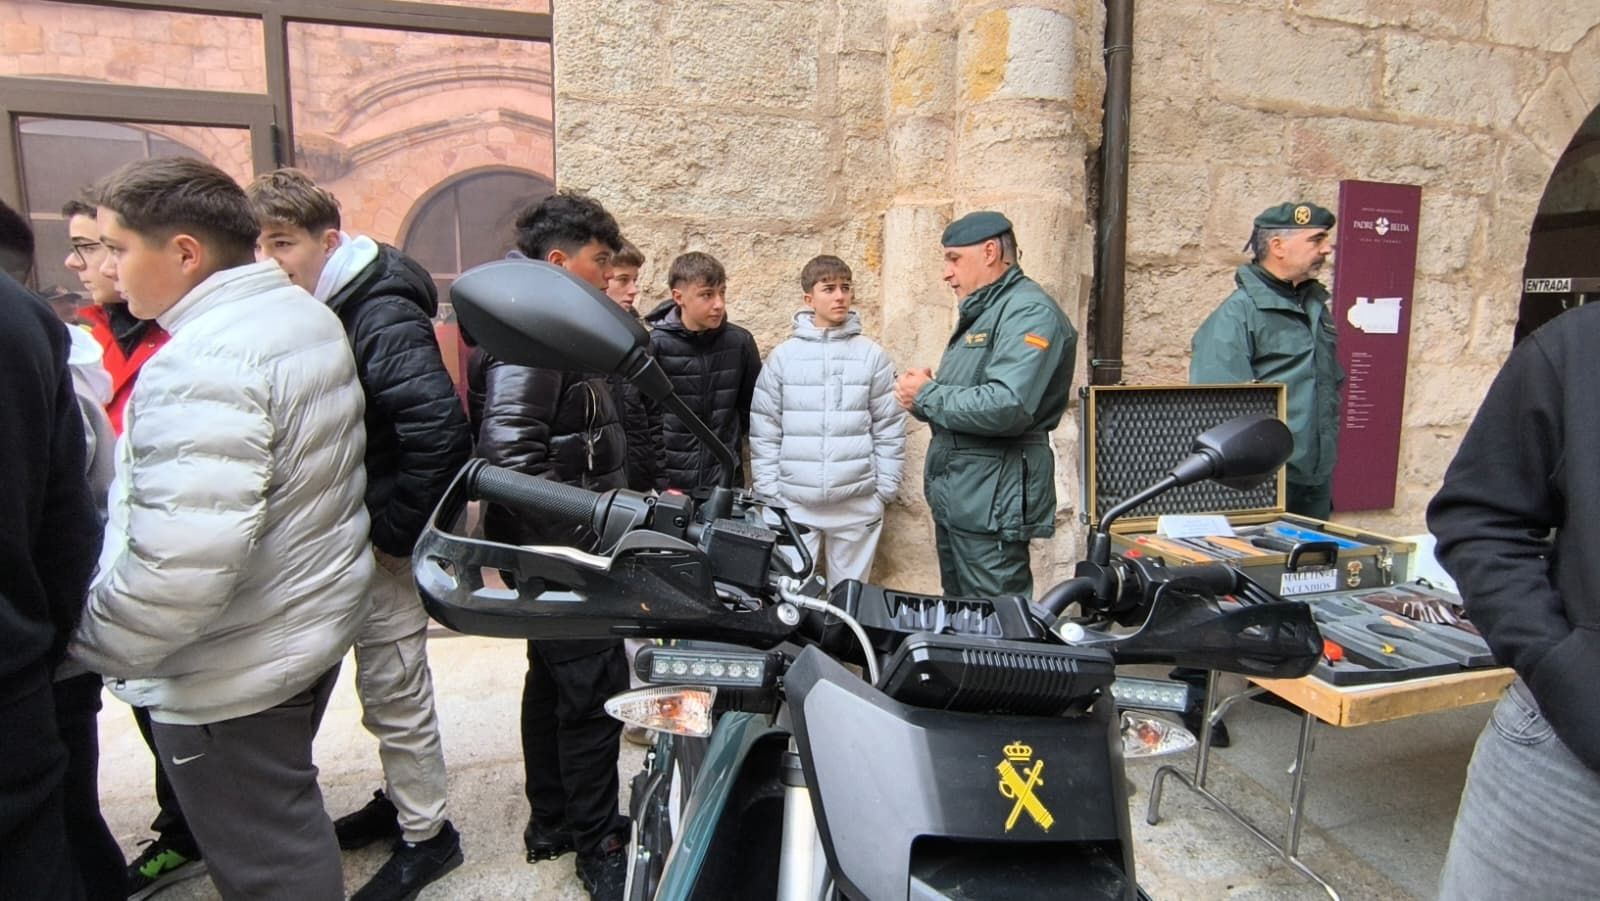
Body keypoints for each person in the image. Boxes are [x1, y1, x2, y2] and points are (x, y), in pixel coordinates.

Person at [68, 156, 372, 901]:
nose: (101, 265)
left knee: (270, 861)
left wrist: (84, 644)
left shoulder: (205, 360)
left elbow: (180, 566)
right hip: (291, 630)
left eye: (115, 246)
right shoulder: (297, 313)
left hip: (230, 670)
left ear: (183, 252)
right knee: (285, 824)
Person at [248, 168, 471, 901]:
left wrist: (398, 533)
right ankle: (401, 801)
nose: (271, 260)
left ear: (329, 241)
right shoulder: (327, 302)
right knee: (378, 693)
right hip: (342, 533)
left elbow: (440, 428)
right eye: (260, 245)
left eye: (284, 242)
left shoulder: (375, 310)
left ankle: (428, 834)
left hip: (377, 537)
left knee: (395, 687)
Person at [473, 190, 631, 901]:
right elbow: (510, 459)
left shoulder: (550, 319)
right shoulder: (531, 332)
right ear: (560, 261)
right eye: (602, 263)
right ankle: (597, 839)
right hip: (564, 549)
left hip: (561, 543)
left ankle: (554, 820)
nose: (610, 275)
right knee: (593, 686)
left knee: (555, 681)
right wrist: (588, 534)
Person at [1426, 301, 1600, 898]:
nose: (1324, 247)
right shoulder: (1579, 345)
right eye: (1312, 239)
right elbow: (1482, 515)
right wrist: (1563, 667)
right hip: (1573, 765)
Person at [62, 193, 199, 898]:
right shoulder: (82, 338)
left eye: (102, 246)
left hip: (157, 559)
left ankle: (188, 828)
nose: (82, 262)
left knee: (170, 707)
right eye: (88, 247)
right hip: (113, 558)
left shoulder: (186, 343)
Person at [0, 198, 124, 901]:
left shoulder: (34, 331)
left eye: (109, 245)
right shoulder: (49, 329)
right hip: (28, 660)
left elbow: (77, 506)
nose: (85, 264)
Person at [893, 211, 1076, 598]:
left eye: (954, 258)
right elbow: (973, 397)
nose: (946, 273)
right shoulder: (989, 311)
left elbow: (1008, 404)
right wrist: (922, 397)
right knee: (964, 619)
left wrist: (926, 394)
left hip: (992, 501)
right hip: (967, 496)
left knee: (996, 626)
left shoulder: (1028, 311)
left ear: (990, 251)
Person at [750, 254, 906, 586]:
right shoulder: (783, 358)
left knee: (848, 602)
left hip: (857, 505)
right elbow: (765, 428)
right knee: (790, 595)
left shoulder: (871, 356)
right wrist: (770, 493)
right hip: (794, 506)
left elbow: (889, 425)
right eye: (829, 288)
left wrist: (884, 491)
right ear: (809, 298)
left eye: (846, 288)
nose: (839, 296)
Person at [1190, 201, 1343, 519]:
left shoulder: (1314, 308)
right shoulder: (1238, 314)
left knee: (1316, 566)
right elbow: (1220, 411)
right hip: (1264, 484)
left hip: (1313, 481)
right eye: (1316, 240)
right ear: (1278, 246)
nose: (1327, 249)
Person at [644, 251, 761, 491]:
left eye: (722, 292)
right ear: (679, 297)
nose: (718, 304)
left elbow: (752, 410)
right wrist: (658, 479)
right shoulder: (655, 345)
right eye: (707, 295)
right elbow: (644, 418)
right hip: (671, 484)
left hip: (725, 480)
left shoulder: (740, 342)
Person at [603, 240, 662, 493]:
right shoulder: (577, 341)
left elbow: (653, 418)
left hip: (637, 481)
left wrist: (658, 481)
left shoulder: (641, 340)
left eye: (635, 280)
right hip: (595, 487)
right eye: (623, 280)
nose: (633, 290)